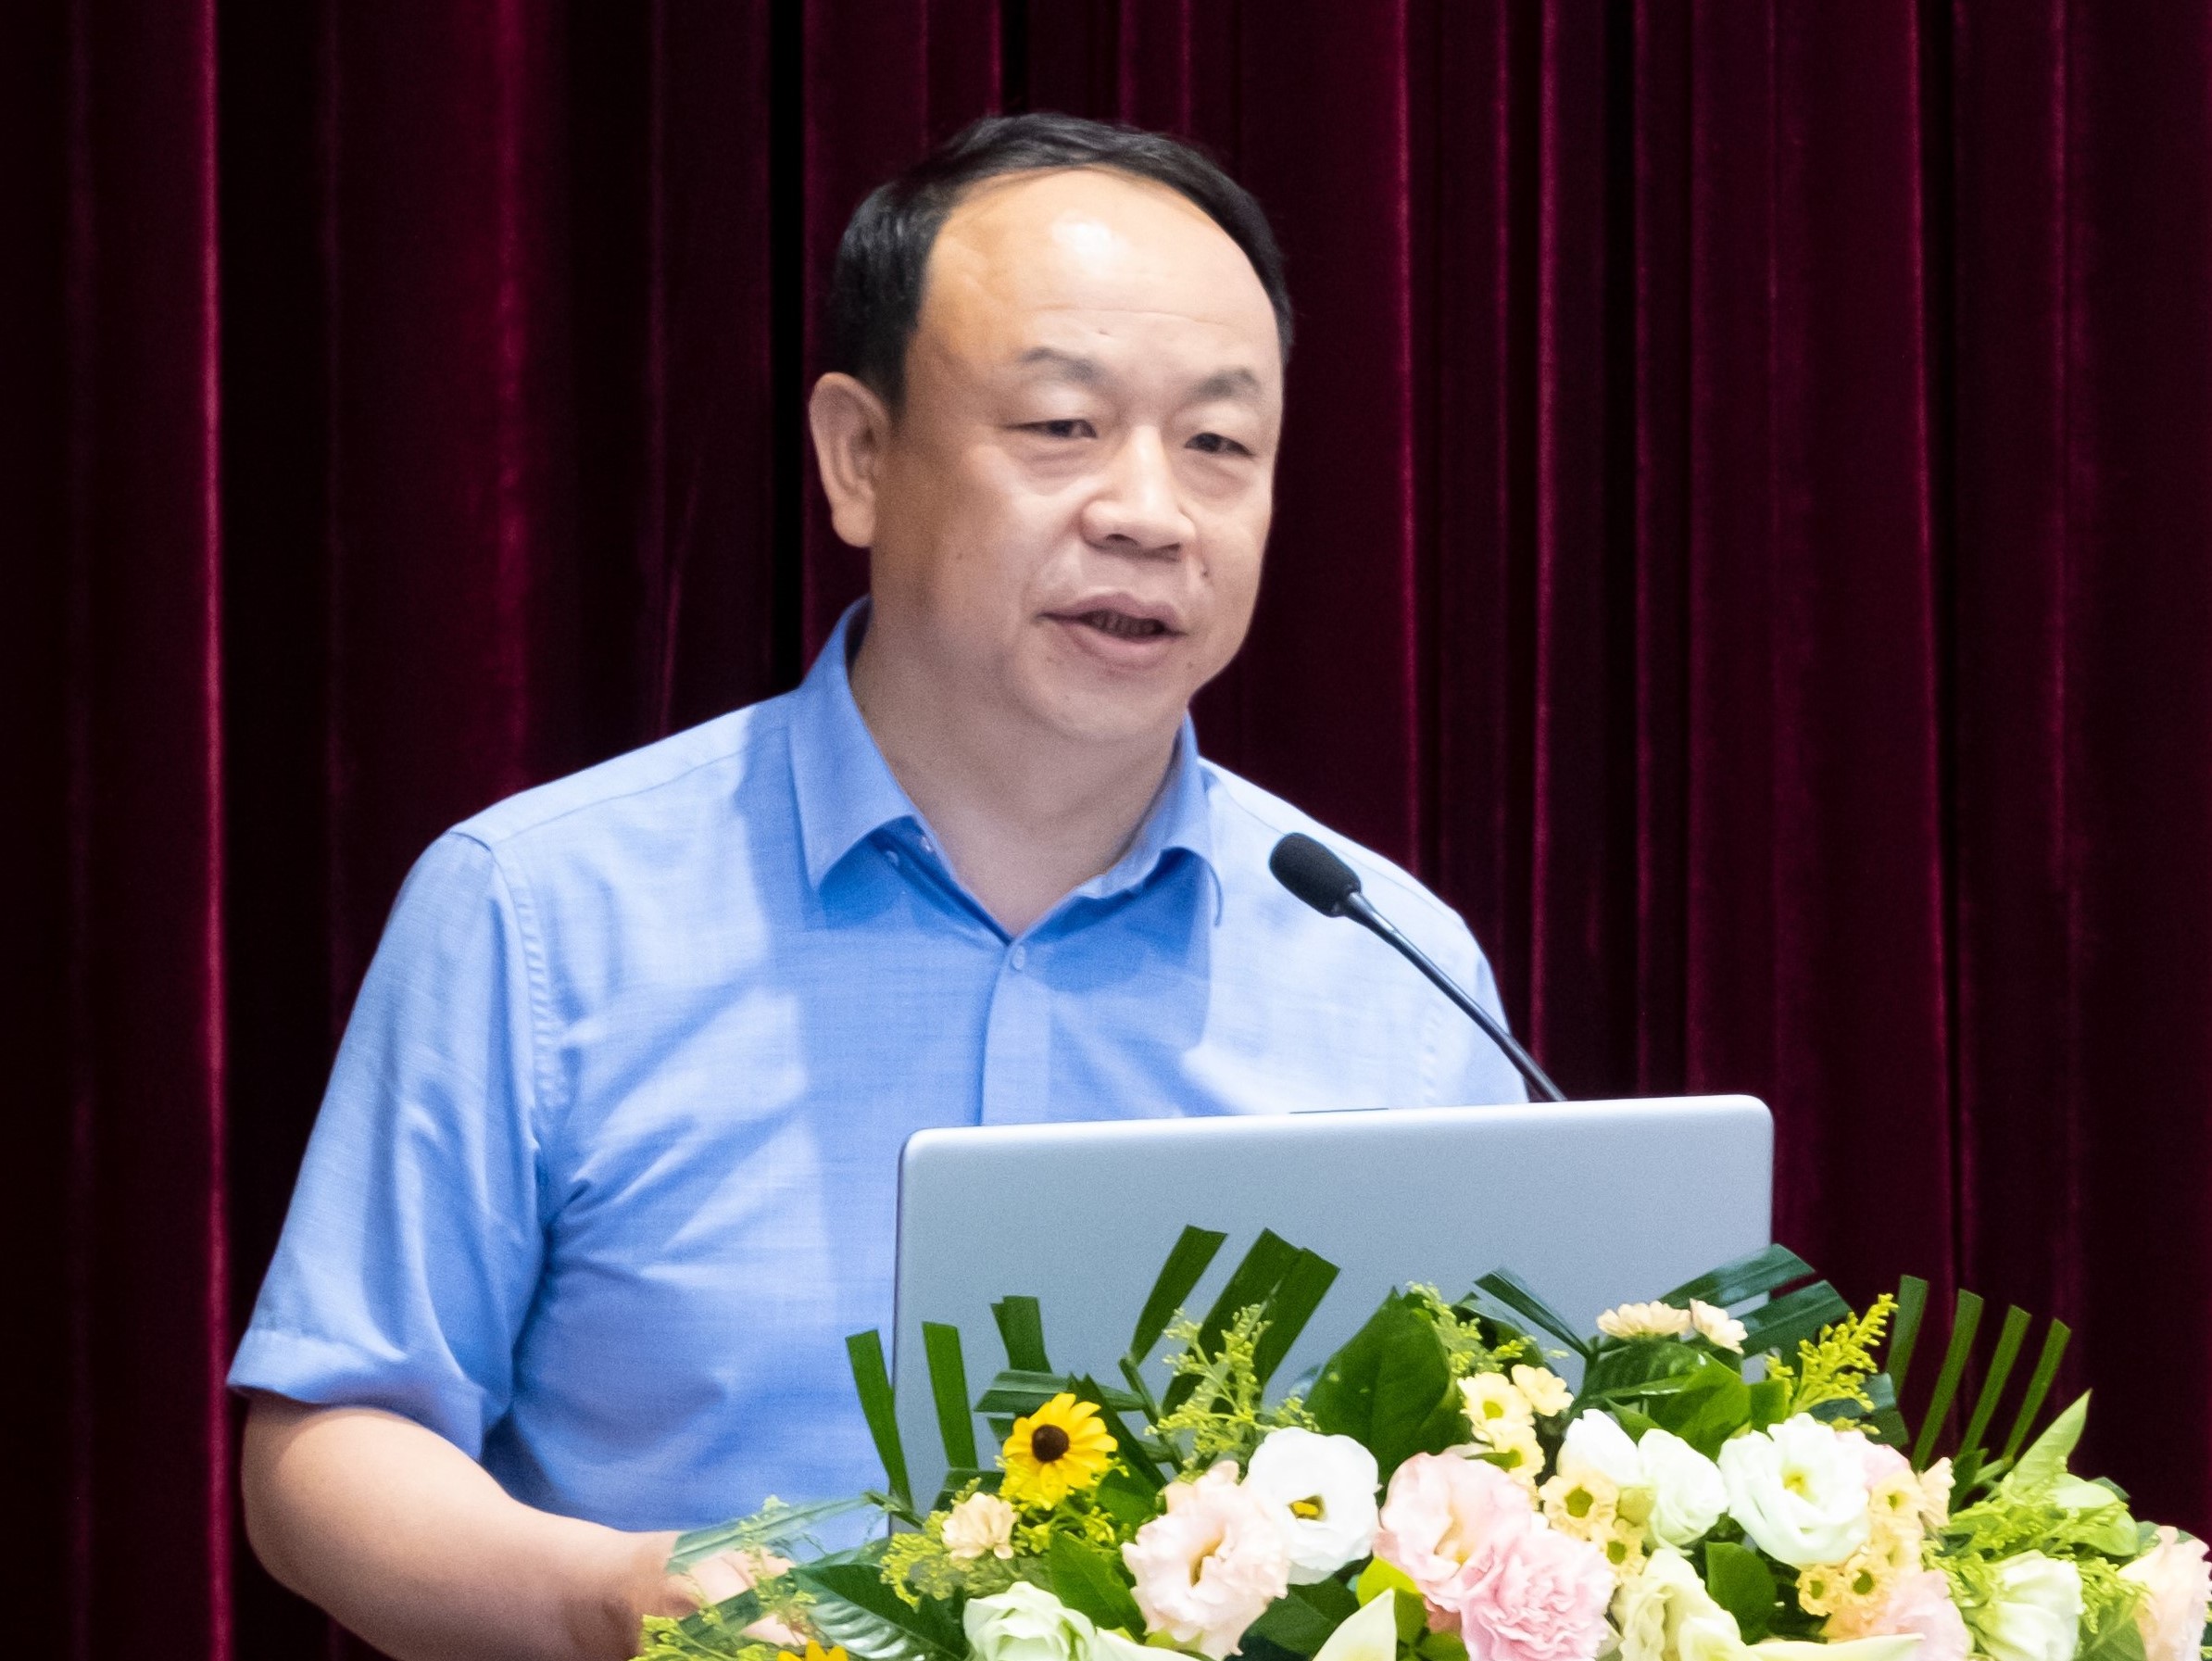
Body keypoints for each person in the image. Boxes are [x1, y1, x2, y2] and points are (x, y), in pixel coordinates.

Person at [233, 112, 1527, 1661]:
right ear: (860, 457)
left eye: (1219, 446)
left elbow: (1501, 1492)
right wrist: (616, 1598)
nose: (1149, 510)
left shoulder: (1388, 967)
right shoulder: (538, 912)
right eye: (1062, 424)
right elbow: (329, 1445)